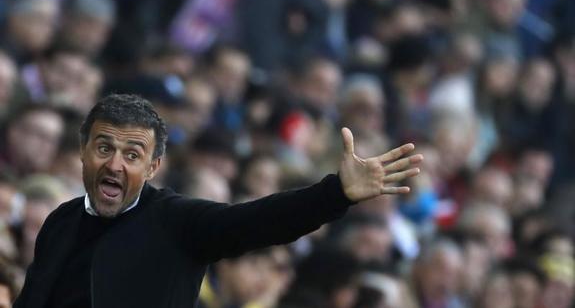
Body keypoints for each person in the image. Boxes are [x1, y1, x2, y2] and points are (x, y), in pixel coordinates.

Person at [14, 94, 422, 308]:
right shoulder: (61, 221)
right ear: (83, 152)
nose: (115, 165)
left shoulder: (175, 222)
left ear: (154, 167)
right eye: (104, 148)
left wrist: (334, 194)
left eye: (133, 155)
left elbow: (257, 221)